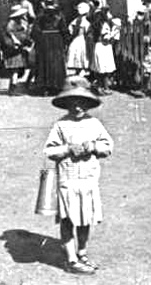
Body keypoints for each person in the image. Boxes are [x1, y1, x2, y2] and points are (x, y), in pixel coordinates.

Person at [44, 82, 113, 275]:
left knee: (85, 218)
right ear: (66, 105)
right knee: (68, 219)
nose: (77, 108)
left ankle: (82, 252)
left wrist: (93, 147)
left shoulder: (94, 124)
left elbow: (108, 146)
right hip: (68, 179)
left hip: (88, 180)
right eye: (73, 103)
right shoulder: (60, 125)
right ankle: (71, 259)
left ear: (88, 104)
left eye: (82, 103)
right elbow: (49, 150)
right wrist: (67, 149)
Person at [32, 0, 69, 95]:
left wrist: (38, 40)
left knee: (44, 62)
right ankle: (56, 86)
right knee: (56, 62)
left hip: (44, 40)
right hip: (57, 40)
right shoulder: (59, 15)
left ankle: (44, 87)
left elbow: (35, 30)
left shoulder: (40, 15)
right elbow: (64, 29)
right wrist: (66, 41)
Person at [2, 4, 33, 95]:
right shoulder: (12, 23)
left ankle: (12, 87)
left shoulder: (18, 22)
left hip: (18, 49)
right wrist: (16, 40)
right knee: (15, 69)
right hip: (14, 49)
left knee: (15, 69)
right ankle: (13, 88)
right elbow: (10, 33)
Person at [90, 7, 119, 95]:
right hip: (104, 47)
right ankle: (105, 87)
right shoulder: (105, 25)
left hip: (97, 46)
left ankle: (99, 86)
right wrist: (114, 34)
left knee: (99, 69)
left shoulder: (95, 25)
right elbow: (106, 38)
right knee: (105, 69)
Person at [66, 2, 91, 76]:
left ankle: (78, 69)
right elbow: (87, 32)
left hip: (75, 40)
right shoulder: (86, 23)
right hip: (82, 39)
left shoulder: (74, 21)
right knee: (82, 54)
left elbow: (70, 31)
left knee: (77, 54)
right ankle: (82, 70)